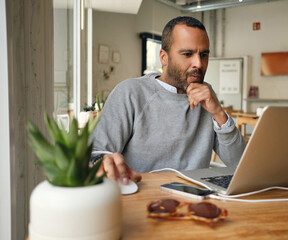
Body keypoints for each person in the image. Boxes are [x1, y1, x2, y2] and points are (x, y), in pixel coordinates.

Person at [90, 16, 246, 185]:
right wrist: (102, 161)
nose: (199, 63)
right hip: (143, 197)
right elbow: (96, 154)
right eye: (187, 54)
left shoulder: (206, 95)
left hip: (197, 198)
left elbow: (240, 164)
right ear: (164, 58)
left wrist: (218, 113)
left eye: (204, 54)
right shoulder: (130, 93)